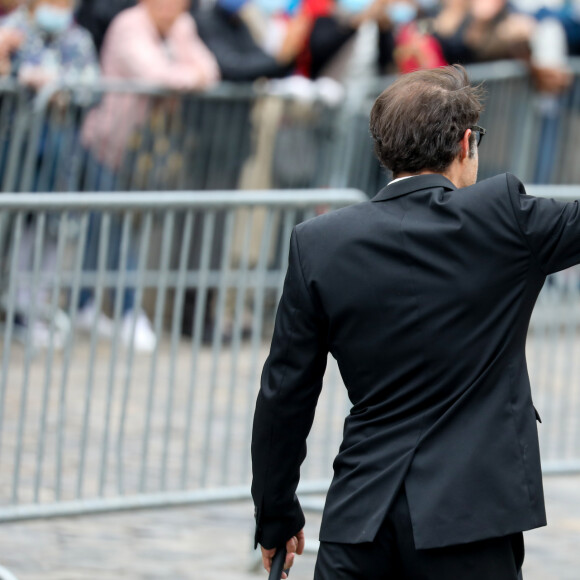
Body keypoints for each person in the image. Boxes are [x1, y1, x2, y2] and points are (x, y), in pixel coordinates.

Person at [251, 64, 580, 579]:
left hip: (361, 517)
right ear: (466, 143)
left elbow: (284, 392)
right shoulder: (505, 219)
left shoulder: (319, 242)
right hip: (470, 521)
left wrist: (275, 515)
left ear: (384, 149)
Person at [77, 0, 220, 352]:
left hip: (141, 155)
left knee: (121, 229)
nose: (172, 7)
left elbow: (210, 69)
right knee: (106, 228)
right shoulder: (130, 25)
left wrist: (188, 74)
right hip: (106, 144)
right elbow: (157, 75)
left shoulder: (180, 26)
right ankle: (117, 310)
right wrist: (188, 75)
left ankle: (96, 305)